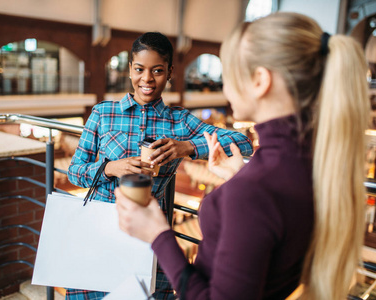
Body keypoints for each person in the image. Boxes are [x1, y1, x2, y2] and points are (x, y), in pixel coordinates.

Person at [116, 12, 370, 300]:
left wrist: (158, 234)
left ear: (260, 81)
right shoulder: (316, 162)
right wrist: (241, 175)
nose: (224, 88)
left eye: (230, 75)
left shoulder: (253, 192)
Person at [67, 32, 253, 299]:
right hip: (102, 228)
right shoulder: (102, 113)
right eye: (140, 69)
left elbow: (242, 142)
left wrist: (187, 147)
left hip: (150, 235)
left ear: (169, 73)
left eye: (157, 70)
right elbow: (75, 171)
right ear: (130, 69)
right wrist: (110, 168)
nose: (147, 79)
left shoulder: (179, 121)